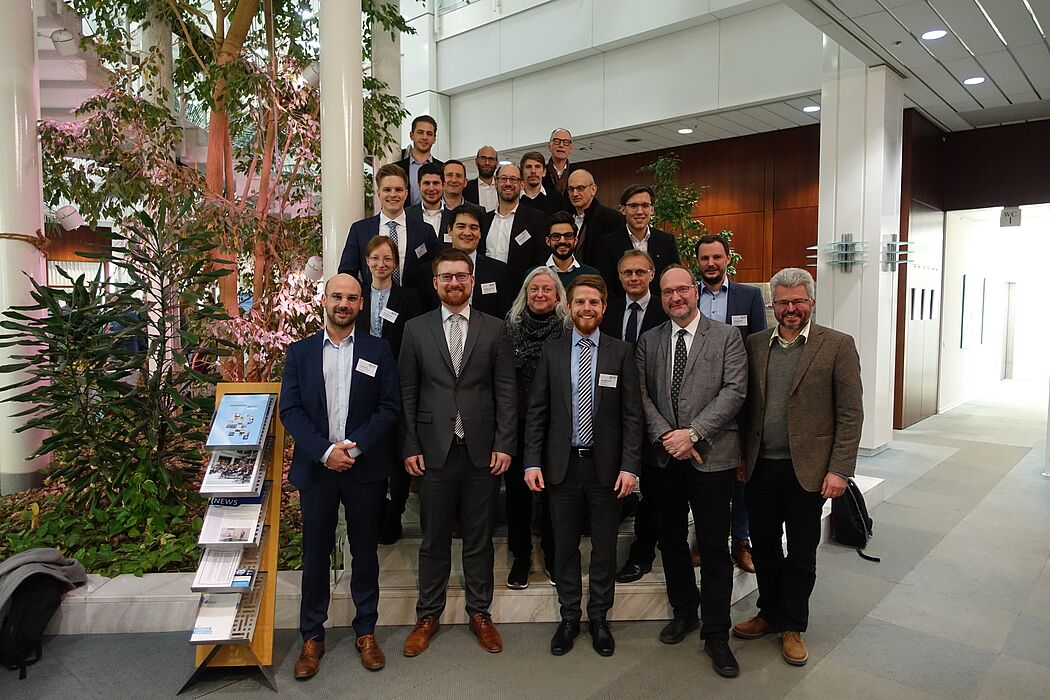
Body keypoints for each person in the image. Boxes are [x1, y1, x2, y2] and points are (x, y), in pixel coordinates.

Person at [733, 267, 862, 667]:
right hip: (760, 468)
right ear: (772, 305)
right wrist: (740, 457)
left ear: (812, 302)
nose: (791, 309)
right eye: (783, 302)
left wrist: (840, 470)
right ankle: (769, 613)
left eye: (798, 301)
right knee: (765, 547)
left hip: (809, 471)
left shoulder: (837, 345)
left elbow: (850, 413)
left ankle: (793, 625)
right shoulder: (756, 344)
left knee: (803, 552)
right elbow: (744, 407)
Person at [280, 273, 401, 679]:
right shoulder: (299, 353)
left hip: (364, 469)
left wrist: (355, 447)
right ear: (325, 300)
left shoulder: (378, 350)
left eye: (351, 298)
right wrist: (326, 451)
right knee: (316, 554)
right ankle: (312, 636)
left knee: (365, 554)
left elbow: (389, 407)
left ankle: (365, 631)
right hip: (318, 469)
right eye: (337, 297)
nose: (344, 304)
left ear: (361, 304)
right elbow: (290, 410)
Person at [399, 249, 517, 658]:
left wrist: (504, 443)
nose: (454, 282)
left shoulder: (496, 328)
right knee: (433, 539)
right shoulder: (415, 330)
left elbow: (506, 390)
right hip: (434, 451)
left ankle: (479, 613)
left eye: (461, 276)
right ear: (435, 283)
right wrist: (410, 445)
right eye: (446, 276)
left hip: (483, 452)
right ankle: (427, 616)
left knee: (479, 540)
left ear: (472, 280)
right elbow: (407, 392)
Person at [636, 264, 748, 678]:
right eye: (667, 292)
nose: (675, 298)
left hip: (711, 457)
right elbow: (641, 394)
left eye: (682, 289)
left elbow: (735, 391)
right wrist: (668, 436)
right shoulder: (649, 340)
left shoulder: (726, 336)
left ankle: (716, 632)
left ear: (696, 291)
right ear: (661, 296)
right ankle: (685, 610)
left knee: (715, 547)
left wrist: (694, 433)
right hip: (664, 459)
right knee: (670, 540)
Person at [524, 274, 641, 658]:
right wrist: (531, 462)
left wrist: (630, 467)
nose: (586, 308)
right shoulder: (553, 352)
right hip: (562, 468)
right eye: (579, 302)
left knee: (604, 547)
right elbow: (537, 412)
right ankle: (570, 617)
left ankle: (600, 618)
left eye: (594, 302)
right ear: (568, 307)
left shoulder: (621, 352)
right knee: (565, 548)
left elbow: (632, 416)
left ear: (604, 307)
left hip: (607, 469)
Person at [694, 233, 767, 572]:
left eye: (716, 257)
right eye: (705, 258)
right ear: (697, 262)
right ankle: (706, 539)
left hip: (738, 399)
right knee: (703, 476)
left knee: (739, 474)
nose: (711, 263)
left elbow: (758, 347)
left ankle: (740, 539)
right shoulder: (689, 295)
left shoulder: (748, 297)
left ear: (727, 259)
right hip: (697, 400)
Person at [600, 250, 668, 584]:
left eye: (640, 272)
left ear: (652, 274)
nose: (634, 278)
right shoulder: (608, 309)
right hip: (613, 411)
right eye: (627, 272)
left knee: (654, 489)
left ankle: (643, 553)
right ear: (619, 276)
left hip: (658, 410)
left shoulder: (665, 308)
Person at [501, 267, 568, 589]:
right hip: (516, 423)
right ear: (525, 294)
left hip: (556, 424)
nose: (540, 294)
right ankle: (521, 556)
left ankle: (553, 554)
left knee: (554, 492)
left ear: (558, 296)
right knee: (517, 496)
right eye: (534, 289)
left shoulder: (569, 329)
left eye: (547, 289)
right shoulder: (508, 328)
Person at [358, 236, 424, 545]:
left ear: (395, 263)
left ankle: (395, 511)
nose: (381, 264)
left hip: (397, 380)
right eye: (375, 258)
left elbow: (414, 341)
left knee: (398, 449)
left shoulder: (408, 298)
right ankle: (372, 510)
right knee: (367, 445)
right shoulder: (357, 295)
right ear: (367, 261)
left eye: (387, 258)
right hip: (362, 383)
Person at [338, 163, 442, 290]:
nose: (393, 195)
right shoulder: (359, 230)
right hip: (372, 300)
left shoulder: (425, 231)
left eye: (398, 190)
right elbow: (347, 272)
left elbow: (437, 270)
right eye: (387, 190)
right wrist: (364, 295)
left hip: (416, 301)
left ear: (406, 193)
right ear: (378, 193)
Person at [417, 203, 513, 319]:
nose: (467, 233)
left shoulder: (498, 271)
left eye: (474, 228)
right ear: (449, 230)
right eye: (461, 226)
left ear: (480, 233)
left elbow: (505, 316)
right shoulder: (427, 271)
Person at [595, 184, 680, 293]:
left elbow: (674, 278)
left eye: (645, 205)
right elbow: (606, 286)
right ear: (623, 210)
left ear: (652, 209)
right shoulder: (607, 243)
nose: (639, 212)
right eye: (633, 206)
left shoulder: (666, 241)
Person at [480, 163, 547, 292]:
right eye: (503, 179)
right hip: (487, 291)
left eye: (513, 179)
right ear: (495, 183)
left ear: (522, 184)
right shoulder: (484, 220)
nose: (508, 183)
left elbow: (539, 261)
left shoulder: (536, 219)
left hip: (520, 291)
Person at [564, 169, 625, 265]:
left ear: (593, 189)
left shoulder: (612, 219)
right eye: (571, 189)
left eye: (580, 188)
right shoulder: (563, 219)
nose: (575, 194)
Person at [543, 211, 600, 289]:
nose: (562, 241)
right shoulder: (534, 274)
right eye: (556, 236)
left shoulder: (591, 275)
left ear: (575, 240)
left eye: (568, 236)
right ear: (548, 241)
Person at [395, 115, 443, 206]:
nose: (424, 137)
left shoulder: (443, 168)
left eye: (429, 134)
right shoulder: (396, 168)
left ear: (434, 139)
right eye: (420, 132)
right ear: (411, 135)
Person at [406, 162, 452, 243]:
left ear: (443, 186)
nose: (431, 188)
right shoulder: (406, 215)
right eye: (426, 183)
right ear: (419, 186)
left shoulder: (453, 217)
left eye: (436, 183)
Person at [542, 128, 580, 207]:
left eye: (566, 142)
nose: (561, 145)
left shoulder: (577, 175)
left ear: (571, 148)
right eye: (557, 141)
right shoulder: (540, 173)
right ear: (549, 146)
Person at [518, 150, 561, 216]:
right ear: (522, 172)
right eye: (528, 167)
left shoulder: (556, 199)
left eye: (537, 166)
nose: (533, 171)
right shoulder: (514, 198)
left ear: (544, 172)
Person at [464, 145, 499, 211]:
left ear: (497, 163)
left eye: (491, 159)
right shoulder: (465, 189)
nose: (487, 163)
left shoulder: (502, 187)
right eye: (483, 158)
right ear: (476, 161)